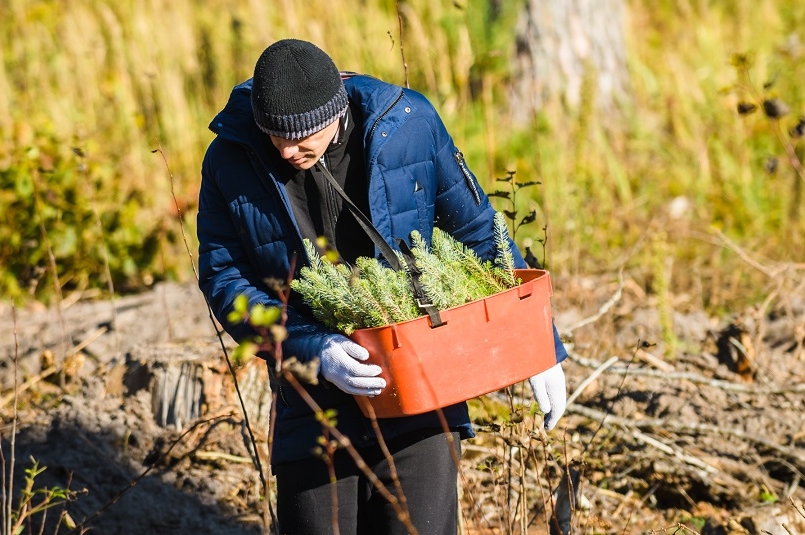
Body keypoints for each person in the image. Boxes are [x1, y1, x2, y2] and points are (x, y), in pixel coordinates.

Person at [197, 38, 568, 534]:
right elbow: (224, 278)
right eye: (274, 136)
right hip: (311, 398)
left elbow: (478, 231)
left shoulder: (407, 125)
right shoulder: (230, 159)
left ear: (336, 110)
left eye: (303, 136)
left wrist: (538, 344)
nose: (287, 150)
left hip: (418, 380)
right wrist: (313, 349)